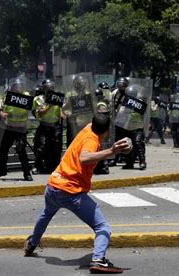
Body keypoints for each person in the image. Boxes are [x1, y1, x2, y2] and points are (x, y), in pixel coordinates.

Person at [24, 114, 130, 273]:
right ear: (107, 131)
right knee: (102, 227)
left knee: (46, 213)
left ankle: (31, 244)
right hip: (70, 192)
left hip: (53, 185)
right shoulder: (92, 140)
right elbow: (84, 158)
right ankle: (98, 260)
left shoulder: (87, 128)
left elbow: (96, 121)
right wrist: (112, 150)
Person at [0, 79, 33, 181]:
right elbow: (0, 106)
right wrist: (0, 112)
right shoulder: (7, 97)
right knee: (3, 150)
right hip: (9, 128)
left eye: (19, 86)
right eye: (15, 86)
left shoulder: (26, 96)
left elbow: (30, 106)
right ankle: (1, 171)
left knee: (21, 150)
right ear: (12, 87)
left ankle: (27, 174)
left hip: (21, 129)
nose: (17, 88)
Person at [32, 79, 63, 175]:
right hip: (44, 126)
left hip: (56, 126)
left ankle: (55, 167)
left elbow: (61, 110)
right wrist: (49, 104)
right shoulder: (38, 99)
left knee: (56, 147)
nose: (50, 89)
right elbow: (39, 113)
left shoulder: (58, 97)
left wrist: (65, 114)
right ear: (44, 89)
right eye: (48, 88)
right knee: (41, 147)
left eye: (51, 87)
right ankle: (37, 166)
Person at [93, 89, 110, 175]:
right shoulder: (96, 104)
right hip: (97, 129)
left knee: (101, 148)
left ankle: (104, 167)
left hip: (101, 129)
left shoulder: (101, 105)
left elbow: (103, 118)